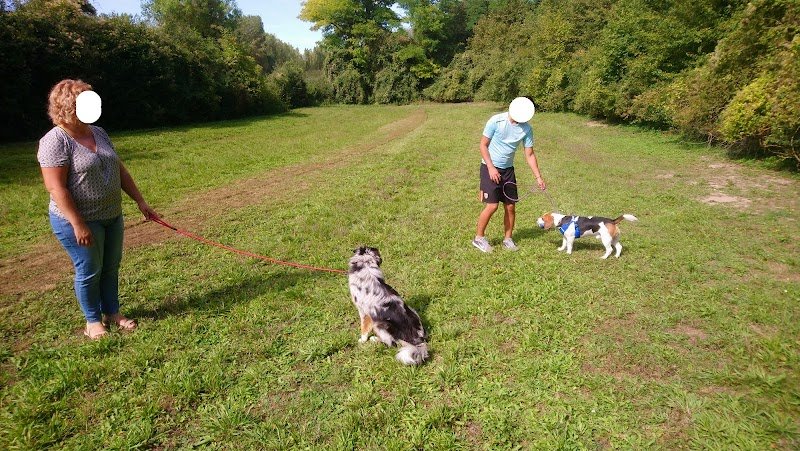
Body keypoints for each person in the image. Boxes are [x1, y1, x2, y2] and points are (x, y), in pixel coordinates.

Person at [37, 79, 159, 339]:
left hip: (111, 215)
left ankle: (112, 313)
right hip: (79, 220)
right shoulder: (55, 141)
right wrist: (77, 223)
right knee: (89, 269)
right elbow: (56, 188)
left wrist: (140, 200)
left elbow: (119, 169)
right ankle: (92, 322)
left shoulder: (98, 132)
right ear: (68, 106)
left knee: (111, 266)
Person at [473, 97, 546, 253]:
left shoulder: (526, 129)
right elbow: (483, 145)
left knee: (510, 207)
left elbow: (530, 154)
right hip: (489, 167)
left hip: (508, 170)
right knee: (492, 206)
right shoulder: (496, 121)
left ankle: (508, 239)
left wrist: (538, 177)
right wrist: (491, 168)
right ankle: (478, 238)